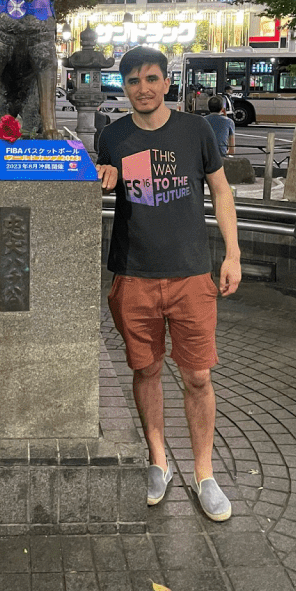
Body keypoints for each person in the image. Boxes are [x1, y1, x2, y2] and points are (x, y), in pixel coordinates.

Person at [96, 47, 241, 517]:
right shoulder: (112, 136)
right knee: (146, 371)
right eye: (134, 81)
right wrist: (104, 177)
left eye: (152, 79)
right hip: (134, 275)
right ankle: (158, 461)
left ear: (166, 83)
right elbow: (107, 185)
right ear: (123, 86)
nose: (144, 88)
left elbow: (221, 191)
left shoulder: (196, 130)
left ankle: (205, 474)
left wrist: (232, 254)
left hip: (191, 274)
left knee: (198, 376)